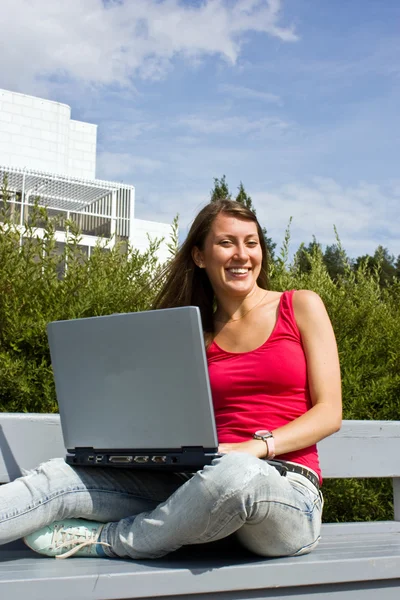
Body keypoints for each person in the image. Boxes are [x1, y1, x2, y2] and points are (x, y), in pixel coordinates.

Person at [0, 199, 342, 560]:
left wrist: (257, 447)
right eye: (227, 242)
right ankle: (179, 528)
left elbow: (329, 411)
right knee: (59, 478)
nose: (242, 254)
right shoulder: (192, 336)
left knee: (237, 473)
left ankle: (106, 540)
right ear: (199, 256)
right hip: (195, 489)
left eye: (251, 242)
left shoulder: (299, 305)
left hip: (284, 492)